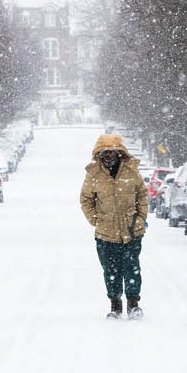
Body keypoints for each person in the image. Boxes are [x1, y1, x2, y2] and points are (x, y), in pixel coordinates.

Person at [79, 134, 149, 320]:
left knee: (131, 267)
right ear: (99, 154)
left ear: (119, 153)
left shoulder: (131, 171)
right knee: (111, 270)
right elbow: (86, 199)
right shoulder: (93, 174)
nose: (108, 155)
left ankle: (133, 304)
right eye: (104, 152)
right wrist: (96, 220)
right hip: (105, 234)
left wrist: (140, 218)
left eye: (111, 151)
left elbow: (142, 195)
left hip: (132, 230)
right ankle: (115, 305)